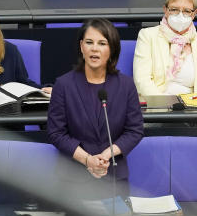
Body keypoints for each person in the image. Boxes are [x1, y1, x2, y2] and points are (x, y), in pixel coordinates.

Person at [47, 18, 144, 183]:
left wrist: (105, 157)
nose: (94, 49)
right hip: (73, 178)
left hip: (113, 174)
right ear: (81, 47)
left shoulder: (126, 85)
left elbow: (134, 130)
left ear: (112, 49)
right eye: (89, 42)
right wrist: (87, 160)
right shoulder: (63, 85)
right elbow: (56, 133)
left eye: (102, 43)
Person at [133, 0, 197, 97]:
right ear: (165, 10)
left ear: (194, 14)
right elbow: (142, 81)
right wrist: (165, 106)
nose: (180, 15)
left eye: (187, 11)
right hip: (158, 107)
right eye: (174, 9)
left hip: (194, 108)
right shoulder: (147, 36)